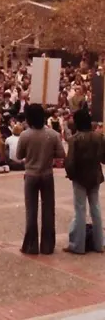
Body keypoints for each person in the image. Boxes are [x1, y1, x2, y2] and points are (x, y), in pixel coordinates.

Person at [16, 104, 66, 255]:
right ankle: (47, 246)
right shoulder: (53, 134)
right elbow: (61, 154)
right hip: (47, 174)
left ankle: (31, 246)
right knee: (48, 209)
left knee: (31, 210)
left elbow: (19, 155)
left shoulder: (25, 135)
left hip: (31, 175)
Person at [63, 109, 105, 254]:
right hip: (95, 176)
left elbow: (70, 162)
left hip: (80, 177)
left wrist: (71, 175)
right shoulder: (99, 137)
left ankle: (78, 246)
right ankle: (100, 244)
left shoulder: (74, 139)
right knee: (96, 209)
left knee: (80, 210)